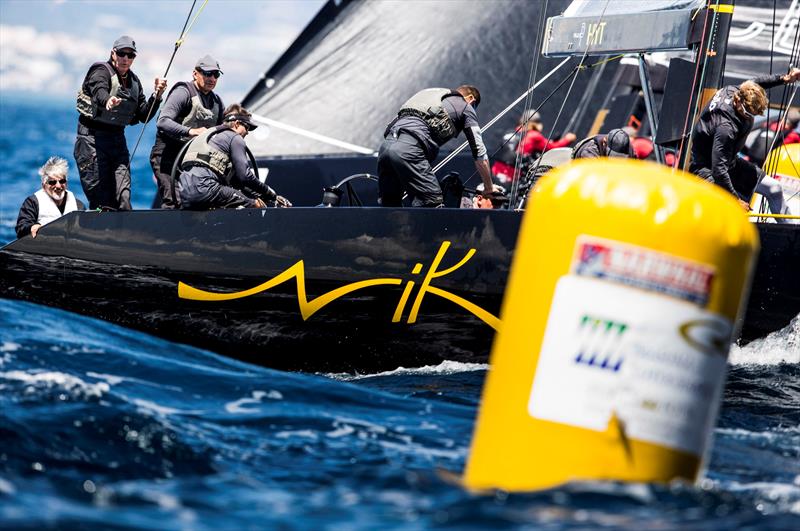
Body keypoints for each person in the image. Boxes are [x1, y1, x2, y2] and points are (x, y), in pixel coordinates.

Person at [74, 35, 167, 211]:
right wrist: (107, 100)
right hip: (92, 140)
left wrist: (157, 95)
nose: (125, 59)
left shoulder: (134, 82)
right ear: (113, 53)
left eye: (130, 55)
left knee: (123, 195)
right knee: (101, 195)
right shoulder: (100, 71)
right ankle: (99, 229)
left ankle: (124, 229)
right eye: (122, 54)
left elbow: (144, 116)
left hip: (117, 140)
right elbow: (99, 89)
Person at [690, 69, 800, 215]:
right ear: (737, 102)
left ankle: (791, 235)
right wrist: (735, 199)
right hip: (706, 170)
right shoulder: (726, 128)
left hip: (730, 163)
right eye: (748, 114)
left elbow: (756, 83)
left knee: (774, 188)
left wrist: (785, 79)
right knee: (732, 210)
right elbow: (718, 170)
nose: (749, 118)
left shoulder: (736, 90)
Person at [378, 85, 501, 207]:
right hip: (409, 149)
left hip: (385, 149)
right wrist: (489, 187)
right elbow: (479, 152)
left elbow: (389, 128)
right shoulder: (465, 106)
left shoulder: (429, 97)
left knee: (390, 206)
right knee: (432, 202)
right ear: (470, 99)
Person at [178, 104, 290, 210]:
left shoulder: (209, 136)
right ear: (236, 124)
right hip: (206, 189)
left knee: (230, 196)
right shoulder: (235, 138)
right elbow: (245, 176)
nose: (247, 132)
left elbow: (237, 182)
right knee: (256, 205)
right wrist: (269, 192)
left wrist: (272, 197)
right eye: (247, 127)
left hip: (184, 195)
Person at [150, 55, 225, 209]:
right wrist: (191, 131)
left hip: (191, 159)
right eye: (207, 73)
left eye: (215, 75)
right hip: (167, 156)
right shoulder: (183, 92)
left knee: (196, 202)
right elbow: (162, 121)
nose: (212, 78)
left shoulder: (217, 102)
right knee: (174, 201)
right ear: (195, 73)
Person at [492, 110, 575, 185]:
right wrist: (567, 139)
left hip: (495, 173)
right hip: (512, 177)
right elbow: (552, 148)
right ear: (536, 124)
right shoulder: (534, 136)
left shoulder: (513, 132)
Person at [16, 157, 85, 239]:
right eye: (52, 182)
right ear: (44, 185)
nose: (58, 186)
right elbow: (21, 227)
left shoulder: (78, 205)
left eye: (62, 181)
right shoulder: (32, 203)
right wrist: (31, 227)